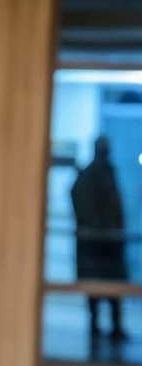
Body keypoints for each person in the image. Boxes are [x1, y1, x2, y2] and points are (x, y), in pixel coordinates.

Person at [71, 135, 127, 339]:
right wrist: (96, 224)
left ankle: (115, 326)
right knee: (95, 289)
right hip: (97, 244)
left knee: (114, 289)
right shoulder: (90, 175)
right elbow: (80, 200)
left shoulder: (108, 172)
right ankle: (95, 326)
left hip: (109, 243)